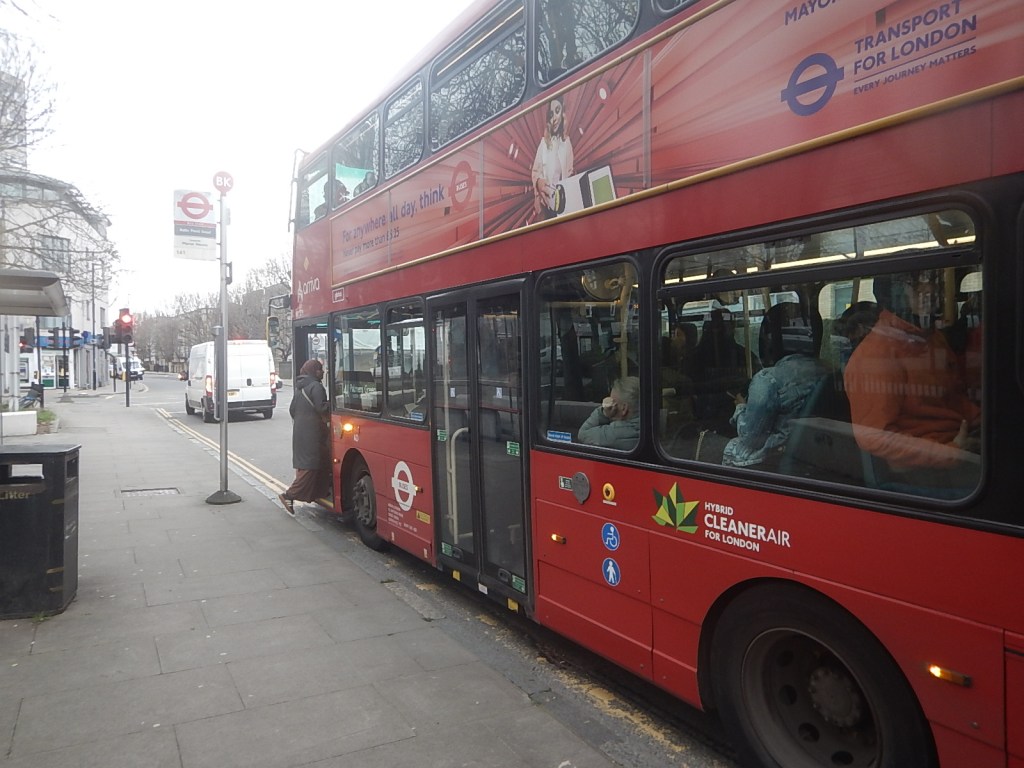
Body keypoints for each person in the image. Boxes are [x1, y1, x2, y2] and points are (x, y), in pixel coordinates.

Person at [842, 271, 980, 482]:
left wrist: (984, 423)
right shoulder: (875, 356)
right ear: (894, 294)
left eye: (933, 282)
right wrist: (951, 453)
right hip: (921, 471)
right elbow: (875, 437)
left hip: (959, 442)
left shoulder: (932, 339)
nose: (931, 290)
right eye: (916, 285)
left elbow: (954, 398)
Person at [722, 302, 828, 468]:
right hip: (816, 456)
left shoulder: (769, 379)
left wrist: (740, 407)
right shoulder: (829, 370)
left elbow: (751, 438)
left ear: (772, 339)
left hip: (772, 462)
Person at [280, 359, 330, 515]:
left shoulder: (300, 387)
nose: (323, 372)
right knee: (311, 466)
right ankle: (289, 495)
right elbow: (322, 408)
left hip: (300, 432)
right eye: (320, 369)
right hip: (313, 433)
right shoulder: (316, 387)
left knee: (313, 464)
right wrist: (335, 403)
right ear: (314, 371)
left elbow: (292, 410)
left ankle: (319, 493)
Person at [531, 96, 574, 220]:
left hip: (563, 207)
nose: (554, 118)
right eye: (551, 114)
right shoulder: (543, 143)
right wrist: (539, 183)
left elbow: (570, 173)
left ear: (562, 113)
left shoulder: (567, 143)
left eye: (557, 111)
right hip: (546, 207)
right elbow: (535, 172)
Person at [578, 376, 640, 449]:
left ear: (624, 408)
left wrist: (604, 412)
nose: (610, 405)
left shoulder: (615, 434)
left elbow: (583, 434)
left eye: (612, 402)